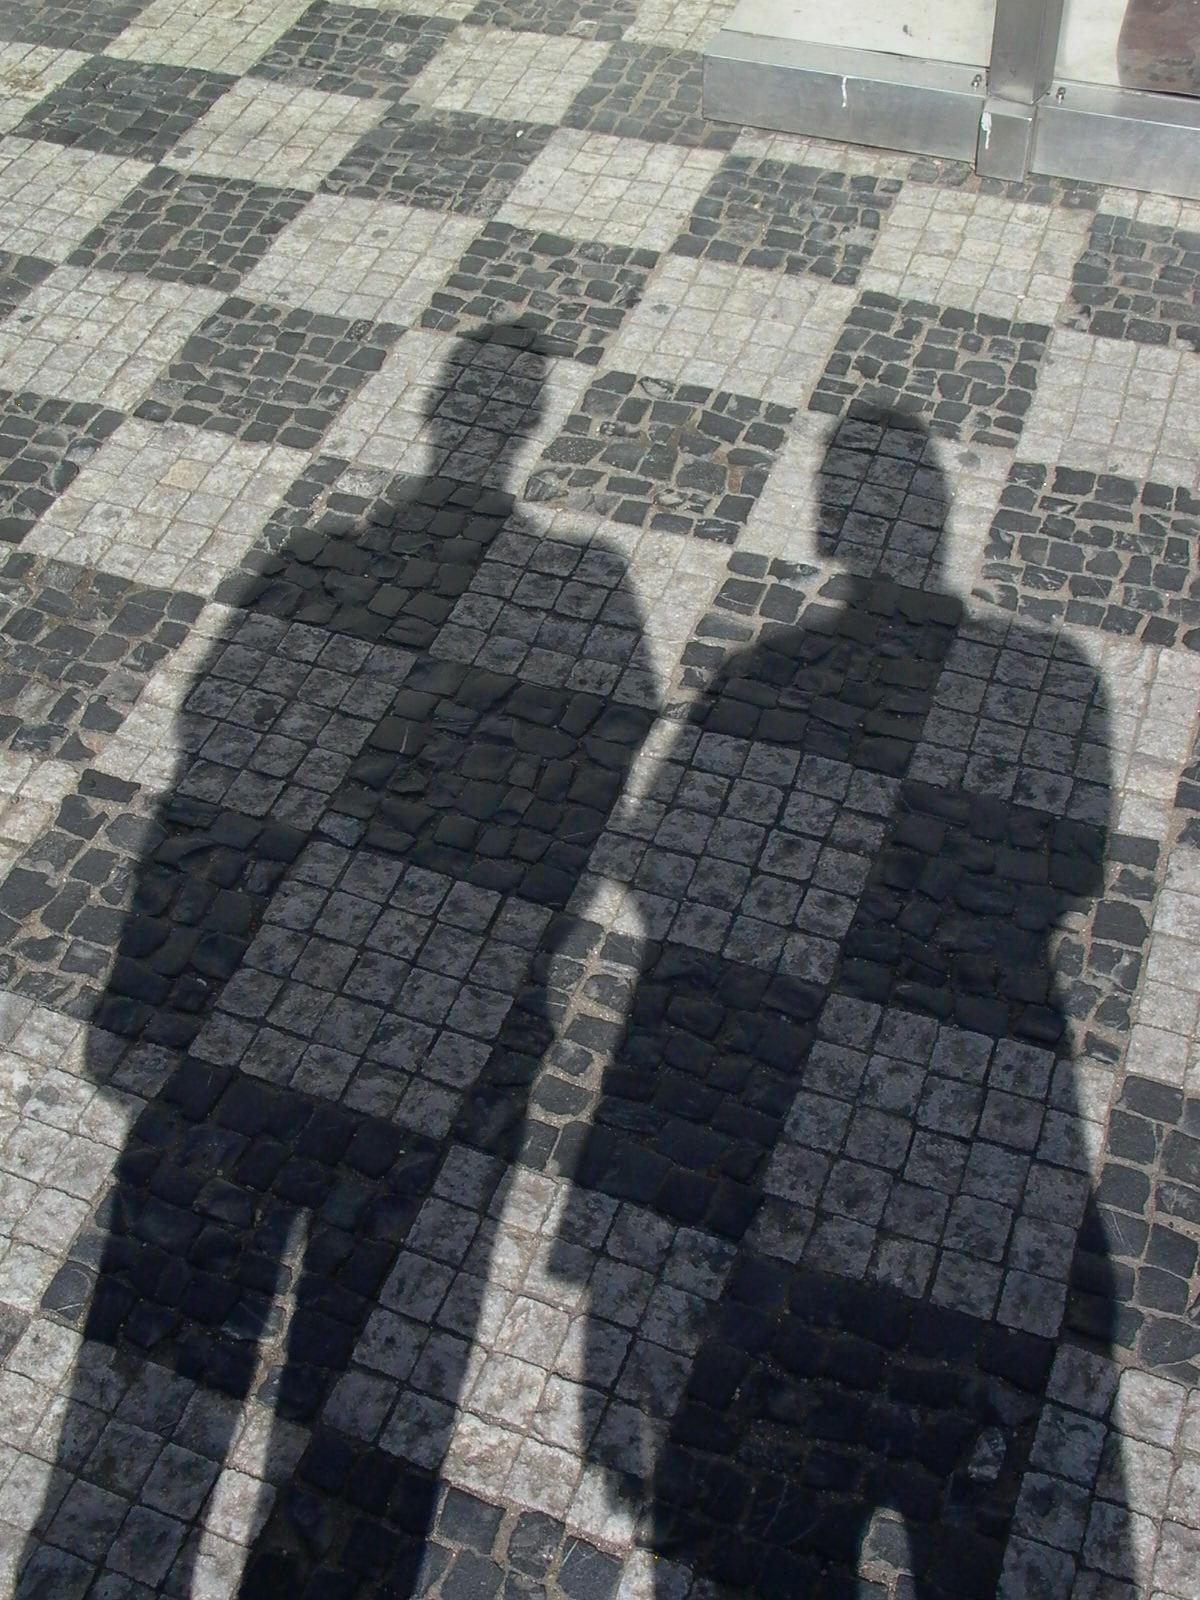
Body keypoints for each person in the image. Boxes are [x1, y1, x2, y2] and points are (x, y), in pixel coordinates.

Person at [16, 322, 655, 1599]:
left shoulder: (315, 560)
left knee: (145, 1383)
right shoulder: (585, 576)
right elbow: (615, 767)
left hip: (278, 1026)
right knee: (371, 1371)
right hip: (465, 1010)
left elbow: (206, 744)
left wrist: (140, 999)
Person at [551, 407, 1129, 1597]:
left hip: (777, 1093)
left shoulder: (762, 671)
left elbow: (657, 869)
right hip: (1011, 1066)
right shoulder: (1049, 667)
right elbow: (1076, 868)